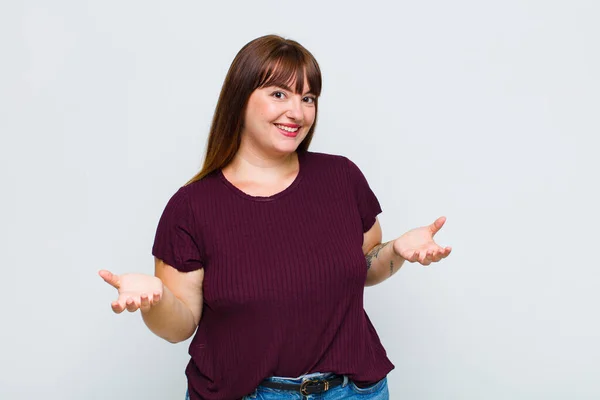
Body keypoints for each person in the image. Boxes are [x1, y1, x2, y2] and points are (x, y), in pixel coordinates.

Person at [99, 34, 452, 400]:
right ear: (240, 99)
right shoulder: (191, 207)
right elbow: (179, 326)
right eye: (279, 94)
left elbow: (363, 267)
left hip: (352, 392)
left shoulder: (341, 178)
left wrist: (397, 250)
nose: (297, 112)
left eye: (308, 98)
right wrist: (155, 301)